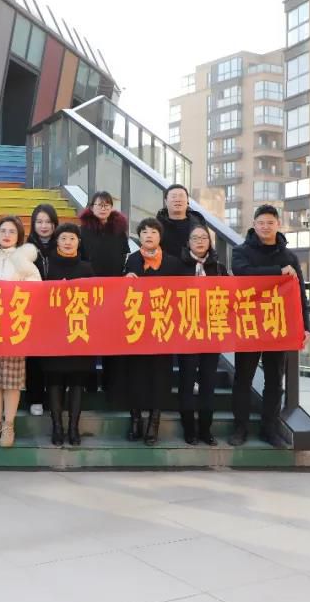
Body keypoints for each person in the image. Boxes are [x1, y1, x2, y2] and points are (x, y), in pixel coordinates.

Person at [230, 204, 310, 448]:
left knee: (275, 381)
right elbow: (243, 274)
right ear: (254, 225)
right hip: (249, 324)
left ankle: (270, 429)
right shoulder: (241, 251)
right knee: (243, 379)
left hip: (278, 326)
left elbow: (300, 294)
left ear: (278, 225)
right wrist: (278, 271)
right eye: (261, 223)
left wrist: (305, 326)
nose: (265, 227)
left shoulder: (289, 257)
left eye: (270, 223)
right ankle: (240, 428)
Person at [0, 216, 41, 448]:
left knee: (12, 379)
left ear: (19, 235)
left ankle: (9, 425)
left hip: (14, 326)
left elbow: (36, 288)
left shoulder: (24, 261)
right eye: (3, 230)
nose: (7, 235)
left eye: (12, 231)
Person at [124, 217, 184, 446]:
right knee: (136, 374)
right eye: (145, 232)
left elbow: (182, 295)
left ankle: (154, 422)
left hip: (163, 328)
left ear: (160, 236)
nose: (149, 236)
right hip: (137, 327)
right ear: (139, 236)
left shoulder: (173, 263)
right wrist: (124, 280)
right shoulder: (131, 260)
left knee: (160, 375)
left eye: (154, 232)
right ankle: (135, 418)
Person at [40, 223, 94, 446]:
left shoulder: (87, 268)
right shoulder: (46, 266)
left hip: (79, 331)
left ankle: (73, 428)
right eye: (63, 238)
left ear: (78, 242)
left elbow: (96, 299)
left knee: (77, 381)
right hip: (53, 332)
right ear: (57, 242)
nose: (68, 242)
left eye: (72, 238)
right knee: (55, 380)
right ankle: (57, 427)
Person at [178, 225, 229, 445]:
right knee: (187, 381)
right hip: (186, 332)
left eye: (204, 238)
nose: (199, 241)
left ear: (210, 242)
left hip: (212, 332)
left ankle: (206, 429)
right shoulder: (178, 267)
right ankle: (189, 428)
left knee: (208, 382)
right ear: (188, 242)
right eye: (195, 238)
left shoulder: (218, 268)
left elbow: (230, 297)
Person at [78, 190, 129, 402]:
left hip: (113, 293)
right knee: (89, 337)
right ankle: (89, 383)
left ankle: (110, 383)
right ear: (91, 207)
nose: (103, 208)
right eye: (99, 204)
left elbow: (124, 255)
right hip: (89, 291)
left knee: (110, 338)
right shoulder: (83, 230)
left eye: (107, 204)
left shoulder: (119, 230)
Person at [24, 203, 60, 418]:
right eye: (39, 222)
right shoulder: (25, 247)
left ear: (55, 224)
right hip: (33, 310)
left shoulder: (64, 243)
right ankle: (35, 398)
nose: (44, 226)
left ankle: (55, 397)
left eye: (48, 222)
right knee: (34, 356)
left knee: (55, 355)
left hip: (58, 310)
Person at [156, 183, 207, 259]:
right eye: (173, 196)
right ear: (166, 201)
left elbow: (208, 251)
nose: (177, 200)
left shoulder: (198, 223)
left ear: (187, 201)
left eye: (181, 196)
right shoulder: (157, 225)